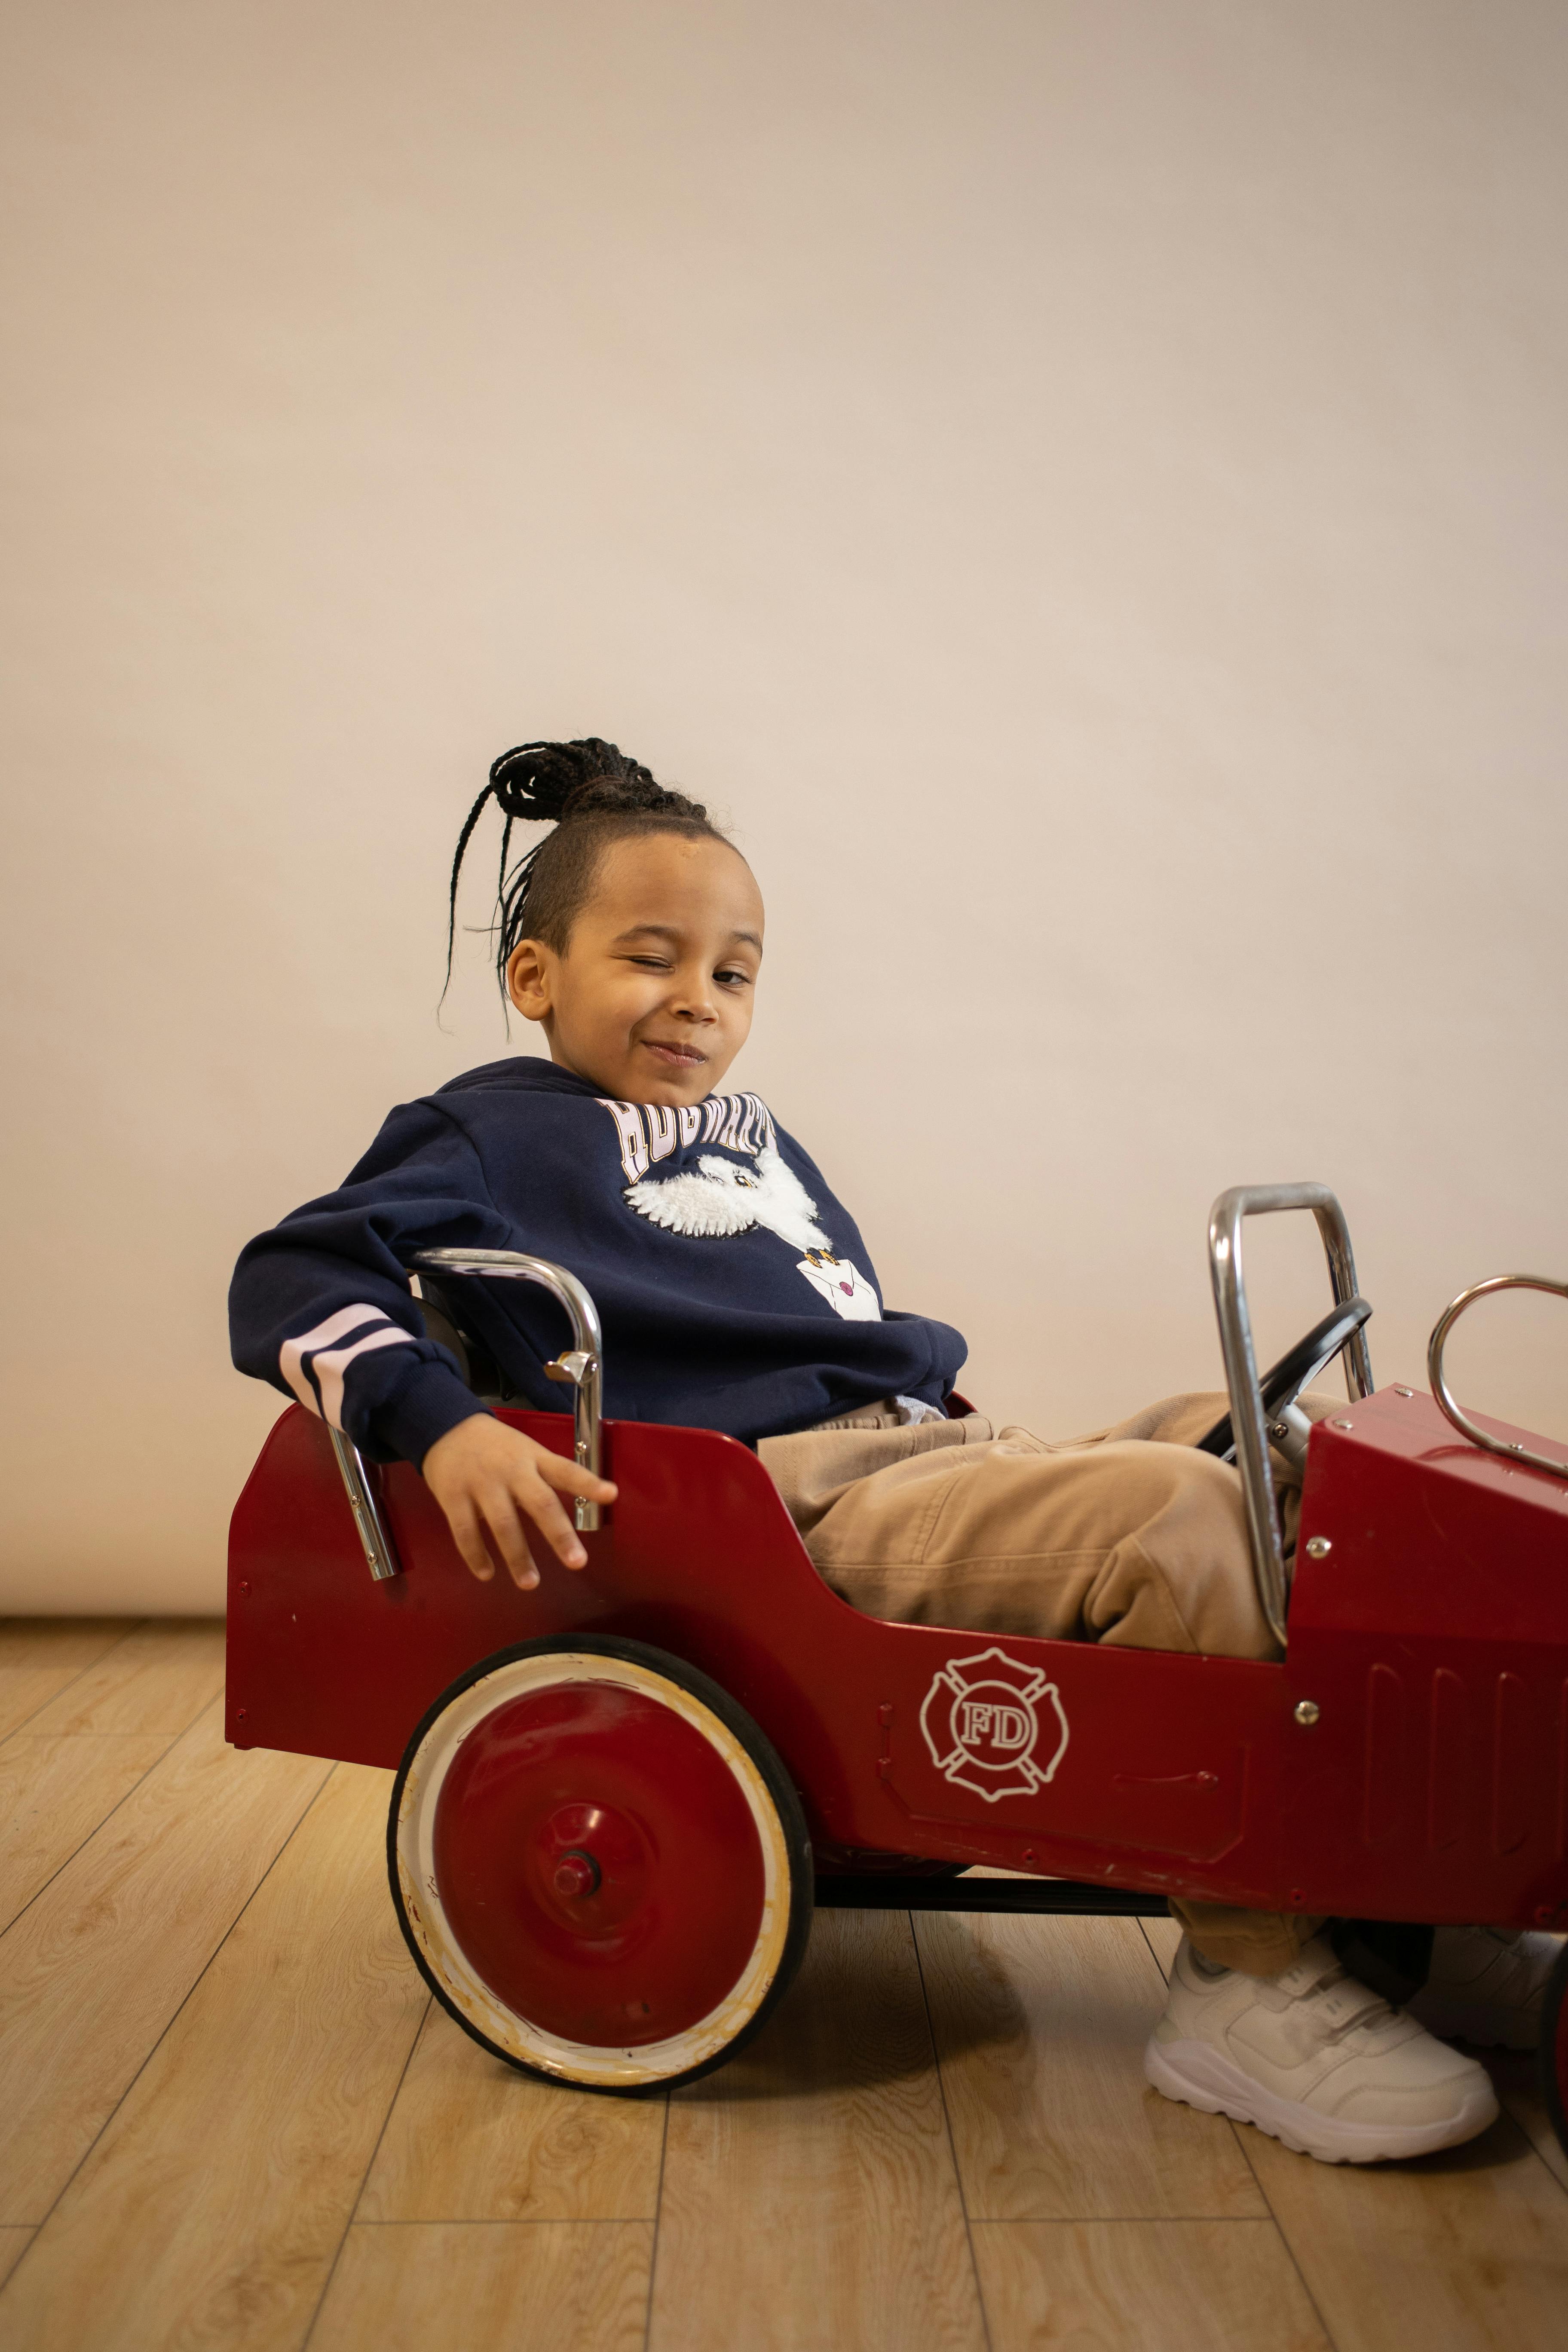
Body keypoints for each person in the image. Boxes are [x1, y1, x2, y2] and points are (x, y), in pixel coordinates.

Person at [230, 737, 1557, 2167]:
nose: (697, 1001)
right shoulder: (488, 1131)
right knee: (1176, 1519)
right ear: (537, 976)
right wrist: (450, 1427)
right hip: (778, 1501)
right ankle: (1252, 1978)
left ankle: (1401, 1915)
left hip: (932, 1447)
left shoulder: (748, 1132)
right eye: (650, 958)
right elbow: (291, 1276)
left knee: (1270, 1460)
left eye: (733, 975)